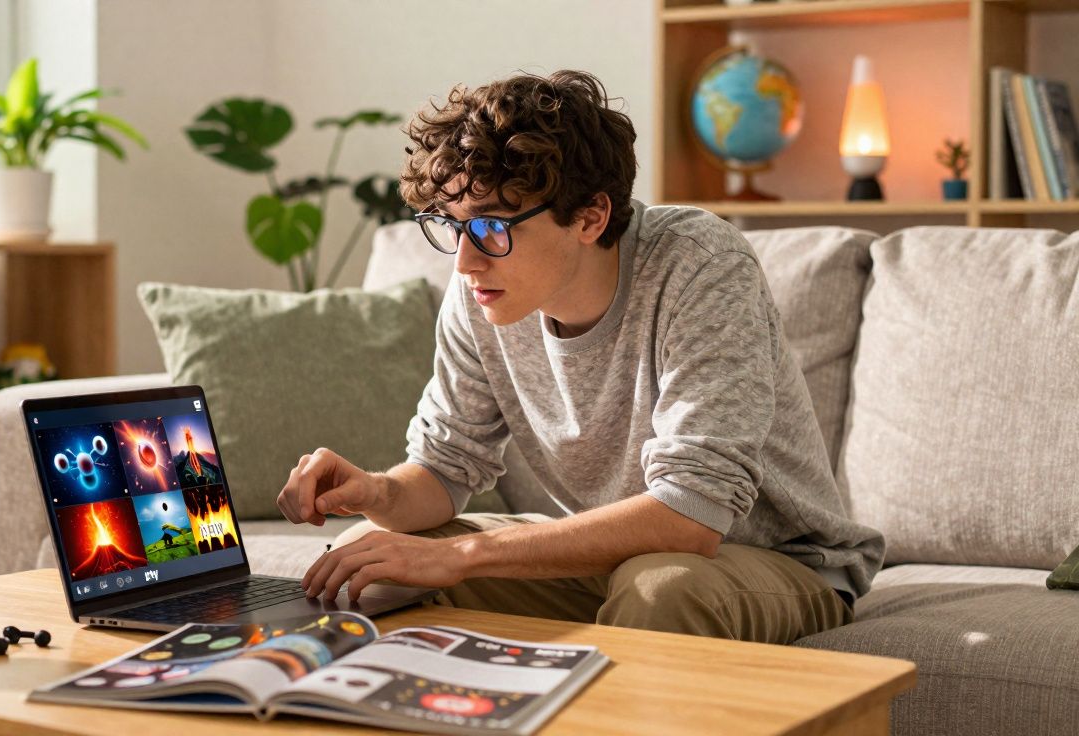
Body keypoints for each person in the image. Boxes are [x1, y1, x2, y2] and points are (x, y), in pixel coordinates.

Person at [276, 70, 883, 643]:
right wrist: (377, 493)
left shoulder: (700, 265)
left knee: (663, 591)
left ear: (590, 217)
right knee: (361, 567)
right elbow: (445, 468)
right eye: (451, 226)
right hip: (615, 558)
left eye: (490, 228)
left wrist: (461, 553)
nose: (463, 261)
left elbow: (691, 516)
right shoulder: (481, 293)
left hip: (772, 561)